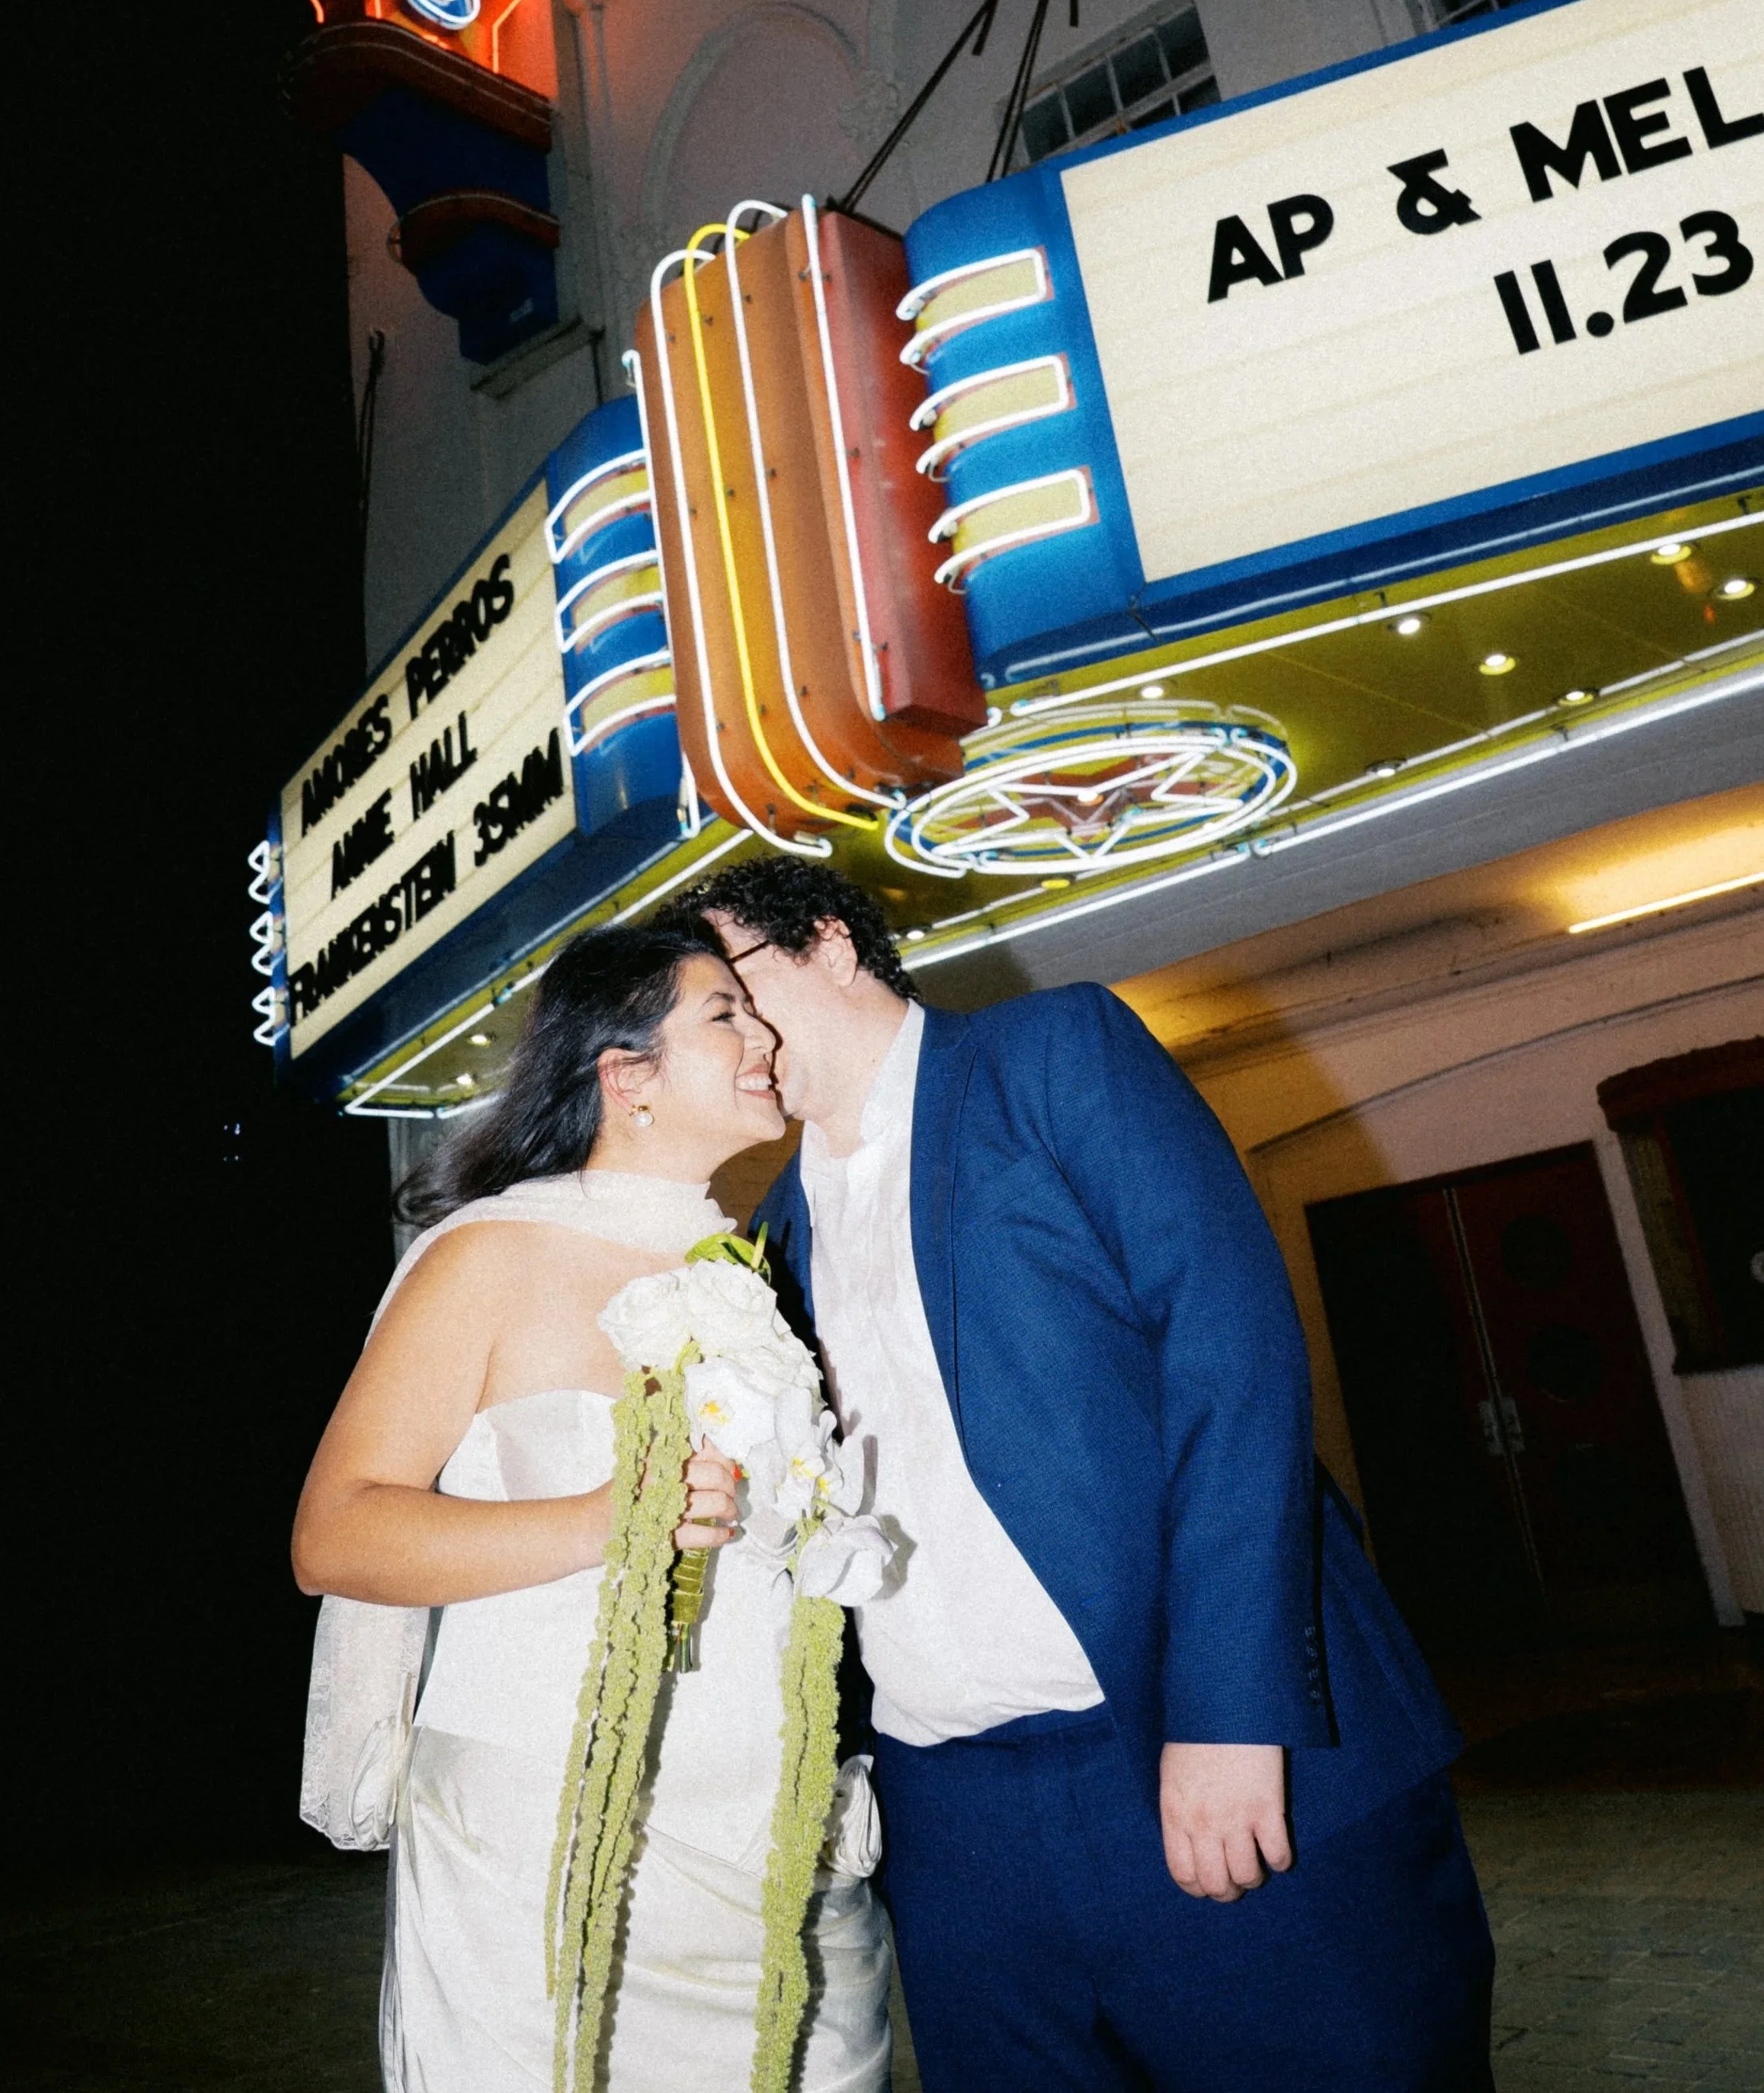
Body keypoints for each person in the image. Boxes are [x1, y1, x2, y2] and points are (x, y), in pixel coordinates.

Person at [678, 860, 1496, 2093]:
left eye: (734, 987)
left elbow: (1232, 1356)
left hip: (1196, 1748)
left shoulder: (1051, 1055)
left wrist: (1225, 1713)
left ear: (834, 946)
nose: (731, 1033)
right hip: (949, 1827)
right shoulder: (769, 1237)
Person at [292, 916, 892, 2092]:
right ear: (627, 1076)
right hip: (548, 1846)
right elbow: (337, 1531)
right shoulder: (490, 1254)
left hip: (763, 1842)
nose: (762, 1031)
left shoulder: (743, 1274)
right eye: (725, 1012)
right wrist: (603, 1520)